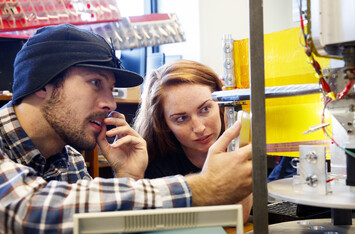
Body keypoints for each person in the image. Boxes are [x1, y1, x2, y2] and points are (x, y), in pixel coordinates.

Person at [0, 24, 253, 233]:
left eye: (111, 89)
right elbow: (27, 210)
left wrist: (127, 175)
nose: (110, 103)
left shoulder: (69, 160)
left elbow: (93, 229)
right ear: (43, 84)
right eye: (95, 82)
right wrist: (202, 187)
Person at [132, 59, 253, 222]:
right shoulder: (155, 170)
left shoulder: (248, 140)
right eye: (181, 118)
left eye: (205, 109)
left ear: (222, 102)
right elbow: (234, 218)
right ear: (164, 124)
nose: (199, 128)